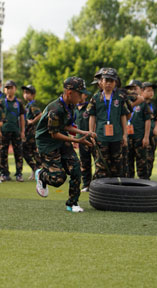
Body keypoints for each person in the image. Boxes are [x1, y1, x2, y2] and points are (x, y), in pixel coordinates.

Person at [35, 77, 95, 213]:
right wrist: (78, 140)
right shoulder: (55, 109)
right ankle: (42, 175)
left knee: (76, 168)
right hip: (47, 143)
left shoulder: (70, 105)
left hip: (61, 138)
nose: (82, 97)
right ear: (69, 92)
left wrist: (84, 132)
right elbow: (54, 134)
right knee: (58, 179)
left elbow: (66, 126)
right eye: (80, 93)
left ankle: (72, 203)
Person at [88, 68, 129, 178]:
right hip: (101, 136)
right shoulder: (95, 98)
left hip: (117, 137)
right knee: (101, 165)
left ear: (115, 82)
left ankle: (116, 187)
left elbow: (123, 116)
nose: (109, 83)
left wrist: (125, 135)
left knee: (118, 166)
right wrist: (91, 133)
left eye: (111, 81)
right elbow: (92, 116)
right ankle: (101, 187)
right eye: (106, 80)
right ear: (101, 82)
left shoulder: (120, 97)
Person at [0, 80, 27, 181]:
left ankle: (19, 174)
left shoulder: (19, 102)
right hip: (4, 130)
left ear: (15, 89)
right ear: (4, 90)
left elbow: (22, 117)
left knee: (18, 152)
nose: (9, 90)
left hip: (16, 131)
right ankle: (4, 173)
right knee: (3, 153)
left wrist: (23, 131)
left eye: (11, 88)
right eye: (7, 88)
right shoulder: (1, 102)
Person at [124, 80, 151, 179]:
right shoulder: (126, 103)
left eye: (135, 88)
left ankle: (144, 183)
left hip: (139, 138)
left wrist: (146, 137)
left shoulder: (143, 104)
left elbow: (147, 120)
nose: (133, 91)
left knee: (142, 163)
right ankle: (129, 184)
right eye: (130, 89)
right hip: (128, 138)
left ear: (141, 90)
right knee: (128, 163)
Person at [22, 84, 42, 178]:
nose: (25, 95)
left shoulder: (32, 104)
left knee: (27, 150)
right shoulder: (27, 105)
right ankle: (37, 169)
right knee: (32, 152)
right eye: (24, 93)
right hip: (28, 131)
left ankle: (37, 169)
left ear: (33, 95)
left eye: (28, 93)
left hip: (31, 132)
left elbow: (40, 114)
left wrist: (32, 121)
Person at [74, 91, 92, 191]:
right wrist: (74, 139)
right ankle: (86, 184)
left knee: (98, 162)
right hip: (81, 140)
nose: (80, 96)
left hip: (92, 138)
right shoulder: (74, 108)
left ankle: (97, 184)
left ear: (86, 95)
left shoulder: (90, 107)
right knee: (84, 162)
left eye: (82, 94)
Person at [142, 82, 157, 178]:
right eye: (148, 91)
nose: (151, 93)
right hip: (139, 135)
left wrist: (156, 128)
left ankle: (147, 178)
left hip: (151, 136)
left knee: (150, 158)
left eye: (152, 91)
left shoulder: (153, 106)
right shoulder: (137, 105)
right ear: (142, 91)